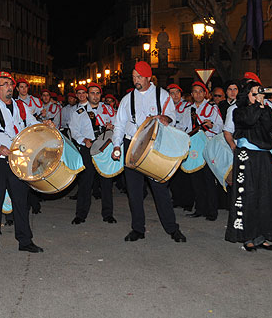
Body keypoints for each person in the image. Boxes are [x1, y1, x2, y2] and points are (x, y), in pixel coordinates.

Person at [0, 71, 48, 256]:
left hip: (18, 161)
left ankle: (25, 240)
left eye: (11, 84)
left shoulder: (21, 107)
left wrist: (45, 125)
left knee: (21, 202)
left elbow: (32, 126)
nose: (9, 87)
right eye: (5, 84)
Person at [110, 61, 186, 243]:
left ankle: (172, 228)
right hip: (132, 145)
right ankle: (137, 229)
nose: (135, 80)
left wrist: (164, 118)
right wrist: (117, 146)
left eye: (139, 77)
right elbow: (119, 124)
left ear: (148, 77)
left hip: (155, 145)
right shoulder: (127, 99)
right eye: (134, 76)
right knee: (134, 191)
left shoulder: (162, 95)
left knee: (160, 189)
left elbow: (172, 117)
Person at [225, 81, 272, 251]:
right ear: (246, 94)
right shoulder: (238, 110)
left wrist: (264, 106)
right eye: (254, 93)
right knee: (247, 195)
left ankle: (262, 235)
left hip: (263, 156)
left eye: (259, 93)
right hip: (246, 156)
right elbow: (249, 120)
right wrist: (257, 105)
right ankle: (247, 236)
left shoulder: (265, 108)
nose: (257, 96)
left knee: (264, 195)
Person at [69, 82, 116, 225]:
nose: (95, 96)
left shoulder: (108, 109)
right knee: (85, 182)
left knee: (106, 181)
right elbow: (74, 130)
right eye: (92, 93)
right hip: (87, 148)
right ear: (87, 95)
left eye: (97, 93)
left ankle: (108, 214)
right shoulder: (78, 112)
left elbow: (119, 124)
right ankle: (81, 214)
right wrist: (84, 140)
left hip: (104, 147)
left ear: (100, 95)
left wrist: (112, 126)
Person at [186, 81, 223, 221]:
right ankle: (200, 208)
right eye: (195, 92)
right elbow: (184, 127)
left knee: (208, 179)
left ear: (205, 93)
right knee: (196, 179)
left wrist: (211, 125)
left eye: (200, 91)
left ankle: (212, 210)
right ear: (191, 94)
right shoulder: (188, 110)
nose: (198, 94)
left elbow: (221, 126)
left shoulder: (212, 109)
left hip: (207, 146)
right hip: (194, 148)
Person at [167, 83, 194, 211]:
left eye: (177, 92)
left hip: (182, 139)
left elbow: (187, 124)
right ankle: (176, 198)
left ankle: (188, 202)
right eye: (172, 93)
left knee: (185, 171)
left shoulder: (187, 106)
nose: (175, 95)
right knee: (174, 172)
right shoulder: (166, 108)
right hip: (171, 141)